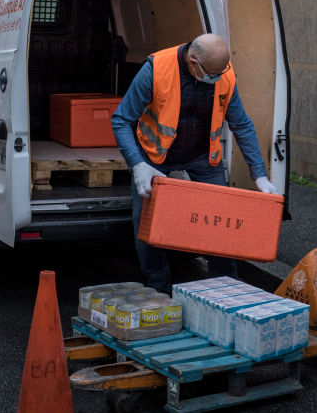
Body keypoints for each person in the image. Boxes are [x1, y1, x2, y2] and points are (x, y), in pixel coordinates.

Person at [111, 33, 277, 294]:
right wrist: (137, 165)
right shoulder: (156, 69)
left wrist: (259, 175)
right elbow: (121, 120)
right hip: (155, 156)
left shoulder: (223, 75)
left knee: (221, 219)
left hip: (202, 156)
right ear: (193, 62)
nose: (217, 78)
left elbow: (241, 124)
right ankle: (158, 286)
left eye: (220, 72)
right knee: (144, 219)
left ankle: (225, 286)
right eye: (212, 74)